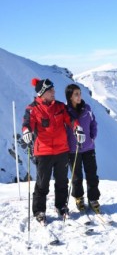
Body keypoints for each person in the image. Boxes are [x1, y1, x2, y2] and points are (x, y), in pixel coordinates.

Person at [22, 78, 85, 223]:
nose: (54, 92)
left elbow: (70, 120)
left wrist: (77, 128)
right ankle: (39, 211)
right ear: (42, 93)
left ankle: (61, 206)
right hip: (43, 152)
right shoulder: (32, 109)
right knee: (42, 183)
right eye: (51, 90)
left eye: (53, 90)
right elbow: (27, 123)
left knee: (62, 181)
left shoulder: (60, 107)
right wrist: (26, 131)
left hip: (62, 150)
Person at [65, 84, 101, 213]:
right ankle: (79, 198)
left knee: (92, 175)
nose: (79, 96)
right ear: (70, 96)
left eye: (80, 93)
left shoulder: (87, 108)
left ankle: (93, 199)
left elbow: (93, 123)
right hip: (73, 150)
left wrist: (92, 136)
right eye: (76, 94)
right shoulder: (65, 111)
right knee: (76, 176)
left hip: (88, 147)